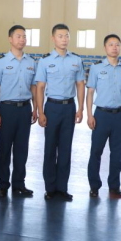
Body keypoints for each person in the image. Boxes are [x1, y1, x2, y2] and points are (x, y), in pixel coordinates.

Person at [35, 23, 85, 201]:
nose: (64, 39)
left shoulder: (76, 60)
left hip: (69, 108)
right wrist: (41, 112)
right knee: (50, 148)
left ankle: (62, 188)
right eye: (60, 36)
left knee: (65, 148)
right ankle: (50, 188)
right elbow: (40, 88)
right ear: (53, 38)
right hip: (52, 107)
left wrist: (80, 108)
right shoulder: (45, 61)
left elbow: (80, 85)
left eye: (67, 36)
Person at [0, 25, 37, 198]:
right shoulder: (0, 62)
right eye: (18, 36)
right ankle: (3, 184)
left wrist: (36, 108)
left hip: (25, 109)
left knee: (22, 149)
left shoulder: (31, 62)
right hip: (7, 109)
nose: (22, 39)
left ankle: (19, 184)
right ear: (10, 39)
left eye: (24, 36)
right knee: (5, 148)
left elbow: (34, 87)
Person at [85, 34, 121, 198]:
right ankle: (94, 186)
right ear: (105, 47)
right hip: (101, 115)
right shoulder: (96, 68)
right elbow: (90, 92)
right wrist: (89, 115)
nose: (114, 47)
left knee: (117, 154)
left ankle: (114, 186)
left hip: (119, 116)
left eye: (117, 44)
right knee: (96, 152)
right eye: (111, 44)